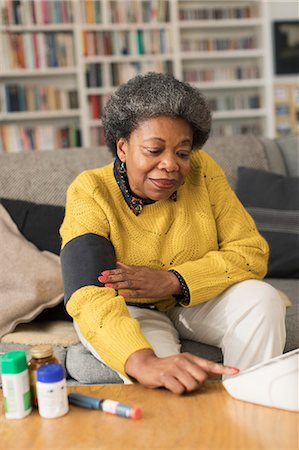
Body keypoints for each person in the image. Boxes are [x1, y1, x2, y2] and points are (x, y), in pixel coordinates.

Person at [60, 72, 286, 394]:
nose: (170, 165)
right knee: (170, 383)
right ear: (122, 147)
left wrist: (172, 280)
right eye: (154, 150)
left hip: (197, 299)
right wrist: (144, 362)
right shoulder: (91, 190)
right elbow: (87, 293)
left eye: (182, 153)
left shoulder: (203, 170)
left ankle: (250, 405)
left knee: (261, 300)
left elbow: (251, 252)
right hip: (132, 309)